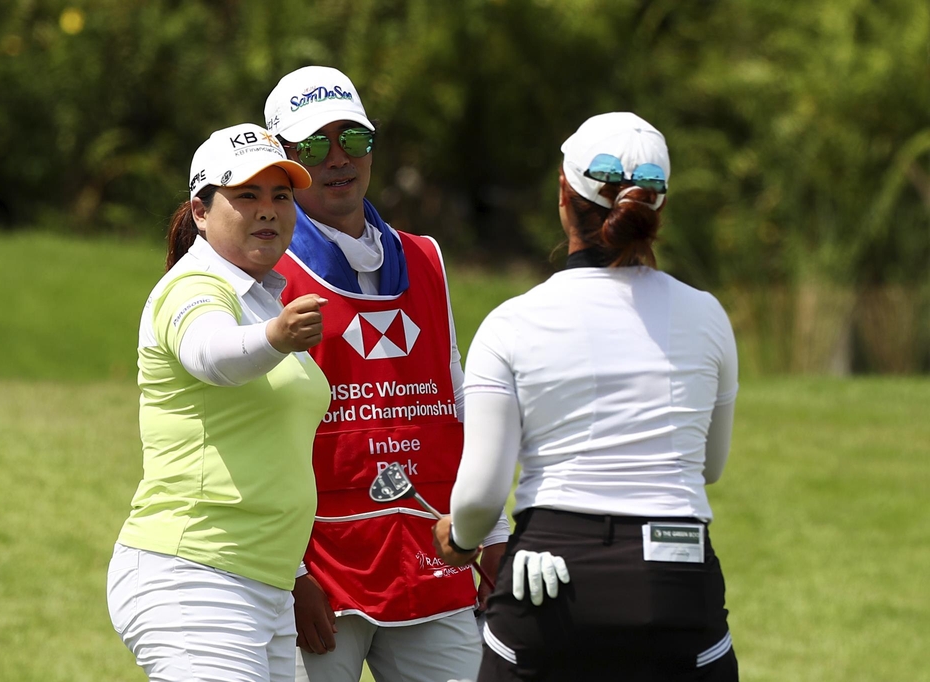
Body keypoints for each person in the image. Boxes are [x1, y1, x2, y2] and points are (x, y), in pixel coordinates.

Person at [432, 112, 740, 681]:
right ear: (657, 209)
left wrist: (459, 538)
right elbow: (709, 466)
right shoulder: (708, 316)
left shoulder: (511, 323)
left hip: (550, 577)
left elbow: (479, 493)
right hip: (677, 578)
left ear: (563, 193)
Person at [263, 66, 511, 682]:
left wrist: (496, 527)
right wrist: (291, 577)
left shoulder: (425, 257)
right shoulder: (264, 270)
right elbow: (255, 436)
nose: (339, 158)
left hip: (433, 556)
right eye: (315, 145)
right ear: (284, 163)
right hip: (321, 573)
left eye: (354, 139)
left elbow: (456, 398)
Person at [106, 122, 332, 682]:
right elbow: (211, 355)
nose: (268, 211)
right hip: (194, 576)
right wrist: (276, 338)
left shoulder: (261, 296)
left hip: (265, 584)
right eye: (247, 195)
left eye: (281, 196)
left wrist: (297, 573)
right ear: (201, 211)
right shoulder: (196, 287)